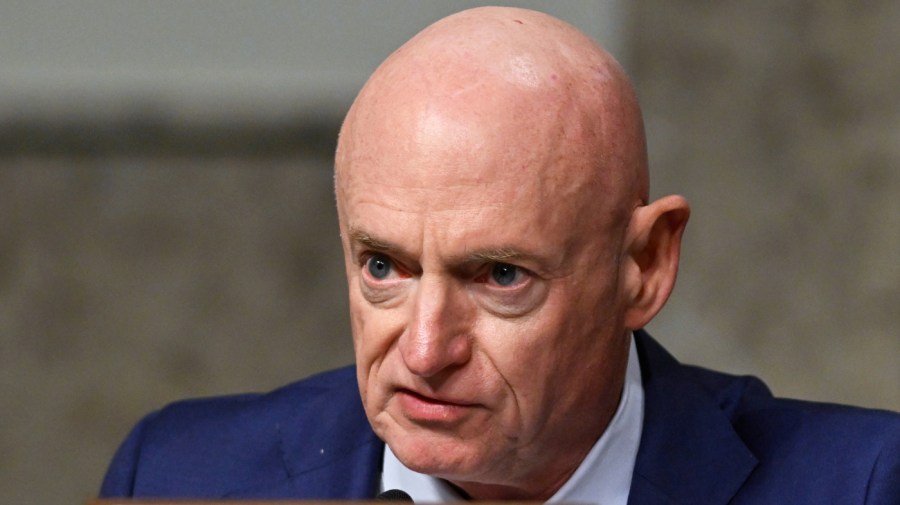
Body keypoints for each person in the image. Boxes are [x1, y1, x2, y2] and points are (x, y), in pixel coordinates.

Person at [100, 7, 900, 504]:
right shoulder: (176, 474)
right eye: (383, 267)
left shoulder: (861, 484)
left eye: (500, 276)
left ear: (644, 266)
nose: (424, 351)